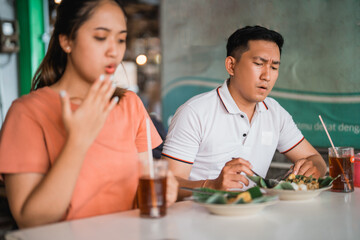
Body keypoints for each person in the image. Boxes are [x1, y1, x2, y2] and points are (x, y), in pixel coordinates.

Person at [0, 0, 177, 228]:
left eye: (121, 39)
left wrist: (168, 192)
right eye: (101, 37)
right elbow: (32, 220)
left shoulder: (129, 104)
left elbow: (142, 193)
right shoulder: (27, 112)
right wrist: (77, 141)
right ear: (66, 41)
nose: (114, 51)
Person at [161, 26, 327, 200]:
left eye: (274, 67)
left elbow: (316, 160)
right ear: (231, 65)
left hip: (253, 216)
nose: (267, 76)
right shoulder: (194, 112)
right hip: (198, 218)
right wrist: (211, 185)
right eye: (258, 64)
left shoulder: (275, 113)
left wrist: (313, 167)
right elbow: (167, 184)